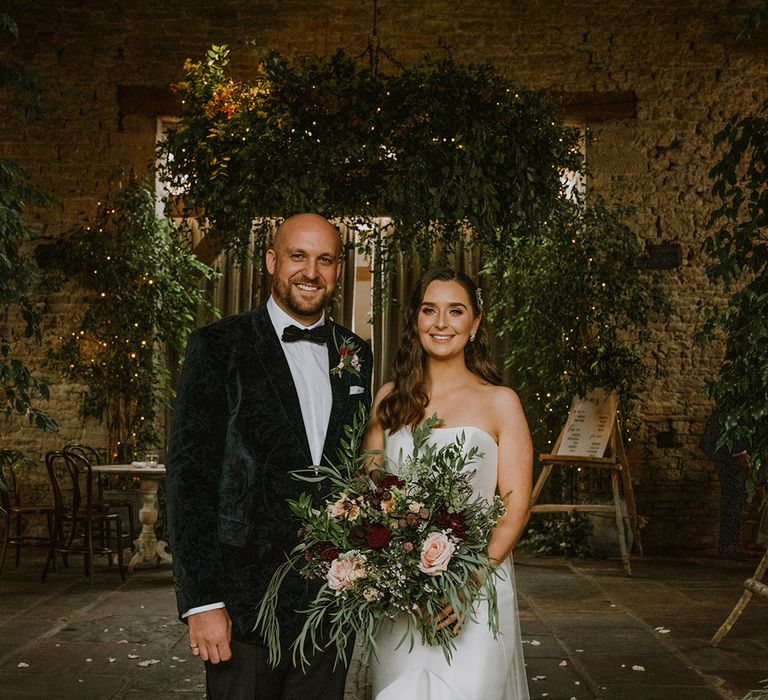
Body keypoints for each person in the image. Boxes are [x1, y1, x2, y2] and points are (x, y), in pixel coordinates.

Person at [166, 213, 373, 700]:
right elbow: (188, 479)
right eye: (297, 256)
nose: (310, 271)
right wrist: (202, 602)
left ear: (338, 269)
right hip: (243, 605)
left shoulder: (355, 352)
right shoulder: (218, 346)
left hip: (329, 605)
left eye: (325, 259)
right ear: (271, 261)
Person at [363, 267, 532, 700]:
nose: (441, 323)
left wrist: (465, 585)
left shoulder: (501, 402)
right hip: (402, 600)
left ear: (475, 323)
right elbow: (368, 495)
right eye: (429, 310)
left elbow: (514, 509)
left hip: (473, 594)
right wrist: (388, 569)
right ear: (415, 321)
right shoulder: (389, 399)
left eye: (455, 311)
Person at [699, 406, 751, 560]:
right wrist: (741, 453)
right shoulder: (736, 405)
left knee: (732, 500)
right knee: (732, 500)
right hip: (727, 456)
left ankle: (728, 547)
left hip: (726, 454)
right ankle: (728, 548)